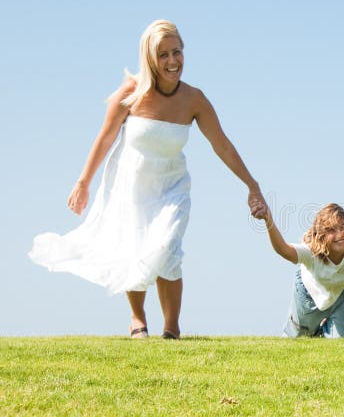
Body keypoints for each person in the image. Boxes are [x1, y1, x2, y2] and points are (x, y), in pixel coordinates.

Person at [29, 20, 267, 340]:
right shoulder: (131, 92)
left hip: (173, 186)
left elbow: (222, 145)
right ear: (150, 58)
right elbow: (104, 139)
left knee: (168, 248)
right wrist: (83, 182)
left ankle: (171, 328)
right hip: (132, 185)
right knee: (136, 249)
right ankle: (137, 319)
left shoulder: (194, 100)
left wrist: (252, 185)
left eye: (177, 52)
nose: (173, 61)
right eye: (164, 54)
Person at [262, 192, 344, 338]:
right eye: (332, 230)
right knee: (301, 337)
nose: (340, 233)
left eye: (343, 227)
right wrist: (268, 220)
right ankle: (316, 331)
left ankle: (327, 330)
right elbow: (283, 249)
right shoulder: (311, 253)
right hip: (310, 293)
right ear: (322, 235)